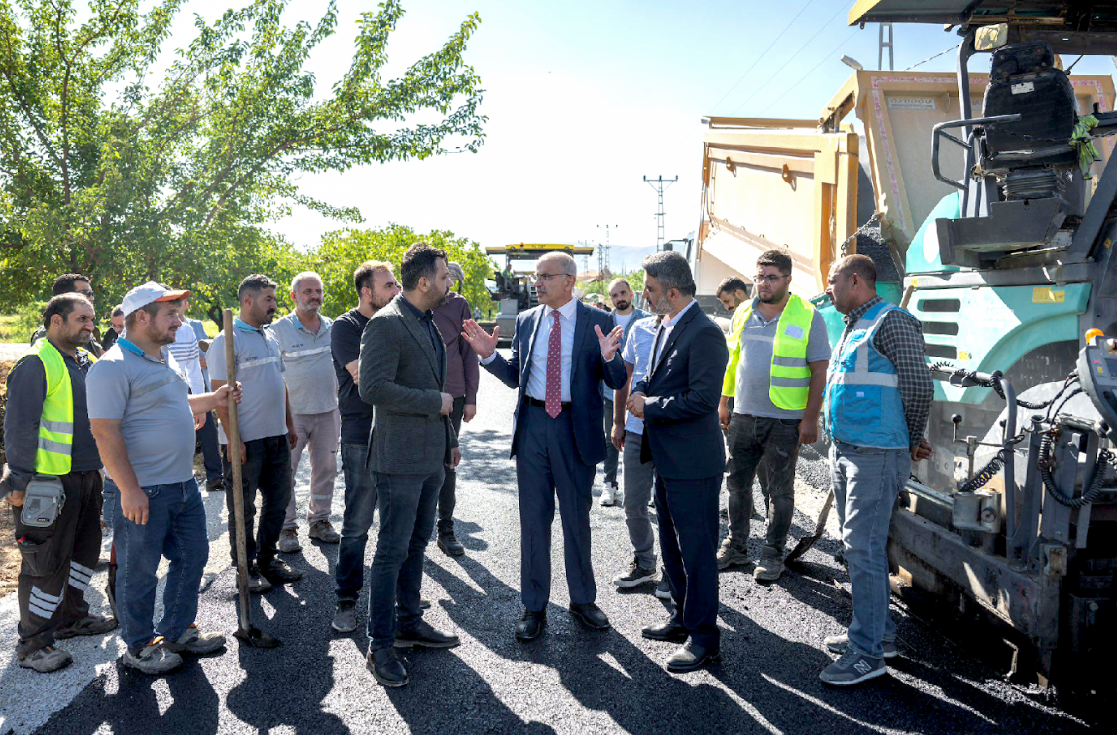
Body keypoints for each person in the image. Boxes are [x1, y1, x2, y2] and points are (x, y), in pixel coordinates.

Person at [462, 252, 626, 643]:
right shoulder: (526, 320)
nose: (537, 283)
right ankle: (534, 606)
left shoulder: (598, 321)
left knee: (575, 518)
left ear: (569, 281)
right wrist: (488, 356)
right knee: (534, 521)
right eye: (536, 277)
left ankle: (583, 600)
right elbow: (516, 376)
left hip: (574, 428)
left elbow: (618, 378)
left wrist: (609, 359)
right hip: (534, 426)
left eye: (545, 277)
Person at [88, 282, 237, 675]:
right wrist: (129, 489)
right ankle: (138, 646)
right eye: (170, 314)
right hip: (143, 490)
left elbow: (173, 403)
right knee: (139, 571)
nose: (180, 320)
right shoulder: (112, 366)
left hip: (183, 485)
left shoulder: (161, 357)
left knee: (192, 558)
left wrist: (213, 400)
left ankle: (175, 631)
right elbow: (105, 432)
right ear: (142, 318)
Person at [819, 254, 933, 686]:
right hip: (850, 448)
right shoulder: (855, 323)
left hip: (875, 453)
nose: (827, 290)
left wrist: (910, 436)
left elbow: (919, 385)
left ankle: (866, 654)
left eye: (832, 282)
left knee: (861, 549)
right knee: (862, 547)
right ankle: (878, 635)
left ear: (854, 281)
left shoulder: (892, 321)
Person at [359, 243, 462, 688]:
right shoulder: (386, 324)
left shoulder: (425, 320)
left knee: (417, 543)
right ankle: (380, 643)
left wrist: (450, 441)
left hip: (429, 458)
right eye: (443, 277)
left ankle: (408, 621)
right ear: (423, 281)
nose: (448, 283)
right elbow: (372, 388)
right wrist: (433, 404)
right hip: (397, 460)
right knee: (391, 552)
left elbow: (438, 393)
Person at [1, 293, 118, 673]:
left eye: (92, 319)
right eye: (82, 319)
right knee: (44, 564)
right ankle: (33, 644)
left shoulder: (86, 361)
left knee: (84, 554)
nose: (90, 325)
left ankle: (72, 618)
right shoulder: (36, 364)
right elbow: (19, 428)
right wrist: (18, 483)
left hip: (87, 477)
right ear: (56, 321)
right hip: (46, 486)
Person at [627, 251, 728, 673]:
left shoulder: (704, 333)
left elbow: (702, 399)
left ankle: (705, 638)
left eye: (649, 290)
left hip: (692, 463)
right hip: (667, 460)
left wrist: (648, 405)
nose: (644, 297)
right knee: (672, 547)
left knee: (697, 552)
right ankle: (683, 620)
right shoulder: (667, 325)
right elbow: (655, 374)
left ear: (671, 291)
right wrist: (642, 389)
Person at [716, 250, 830, 582]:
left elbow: (819, 372)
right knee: (736, 484)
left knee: (780, 490)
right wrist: (725, 402)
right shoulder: (742, 313)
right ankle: (737, 547)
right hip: (743, 415)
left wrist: (810, 418)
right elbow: (733, 361)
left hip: (785, 420)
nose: (764, 284)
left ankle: (772, 553)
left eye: (771, 277)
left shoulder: (808, 316)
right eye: (760, 277)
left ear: (788, 280)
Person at [208, 274, 302, 594]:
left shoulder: (270, 336)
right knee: (243, 507)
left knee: (279, 499)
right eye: (268, 300)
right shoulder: (227, 339)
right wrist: (234, 439)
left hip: (275, 435)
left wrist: (288, 424)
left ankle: (266, 559)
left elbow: (281, 383)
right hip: (245, 440)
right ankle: (244, 568)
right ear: (247, 301)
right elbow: (219, 393)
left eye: (275, 299)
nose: (275, 305)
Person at [330, 261, 401, 633]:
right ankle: (346, 599)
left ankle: (393, 596)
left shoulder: (401, 322)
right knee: (357, 523)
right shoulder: (345, 327)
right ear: (366, 292)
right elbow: (365, 380)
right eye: (388, 285)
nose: (396, 291)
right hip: (360, 436)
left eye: (396, 284)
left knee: (396, 522)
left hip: (398, 435)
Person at [270, 272, 342, 553]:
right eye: (308, 291)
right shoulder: (277, 330)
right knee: (286, 472)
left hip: (328, 411)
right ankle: (287, 527)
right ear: (293, 296)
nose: (315, 296)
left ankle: (320, 521)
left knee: (326, 469)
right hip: (292, 415)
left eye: (318, 291)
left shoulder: (333, 327)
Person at [608, 312, 667, 595]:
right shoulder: (639, 329)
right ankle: (645, 562)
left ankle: (674, 571)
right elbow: (625, 379)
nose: (648, 294)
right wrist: (619, 422)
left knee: (671, 508)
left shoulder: (691, 329)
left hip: (672, 433)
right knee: (633, 503)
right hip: (635, 430)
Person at [430, 261, 479, 556]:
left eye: (450, 277)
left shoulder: (459, 305)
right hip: (418, 396)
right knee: (417, 463)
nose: (448, 283)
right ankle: (412, 530)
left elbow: (468, 352)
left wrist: (470, 396)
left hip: (454, 396)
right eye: (443, 277)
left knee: (448, 461)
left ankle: (445, 528)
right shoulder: (408, 304)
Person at [166, 295, 224, 494]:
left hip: (188, 389)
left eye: (176, 308)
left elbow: (193, 370)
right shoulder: (150, 334)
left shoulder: (188, 330)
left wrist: (203, 404)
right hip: (163, 395)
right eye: (170, 310)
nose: (176, 315)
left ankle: (214, 477)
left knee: (206, 430)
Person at [599, 278, 648, 507]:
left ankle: (648, 488)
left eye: (622, 293)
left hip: (641, 391)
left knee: (643, 438)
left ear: (631, 294)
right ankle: (610, 485)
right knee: (612, 438)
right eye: (614, 295)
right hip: (611, 391)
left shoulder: (647, 321)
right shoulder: (603, 322)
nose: (619, 298)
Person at [186, 310, 223, 492]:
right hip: (175, 386)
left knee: (207, 429)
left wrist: (206, 360)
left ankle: (215, 476)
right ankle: (185, 479)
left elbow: (209, 350)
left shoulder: (194, 325)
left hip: (197, 384)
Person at [30, 274, 102, 357]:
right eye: (85, 293)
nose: (91, 298)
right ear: (65, 296)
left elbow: (101, 355)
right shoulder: (48, 335)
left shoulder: (83, 329)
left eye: (92, 293)